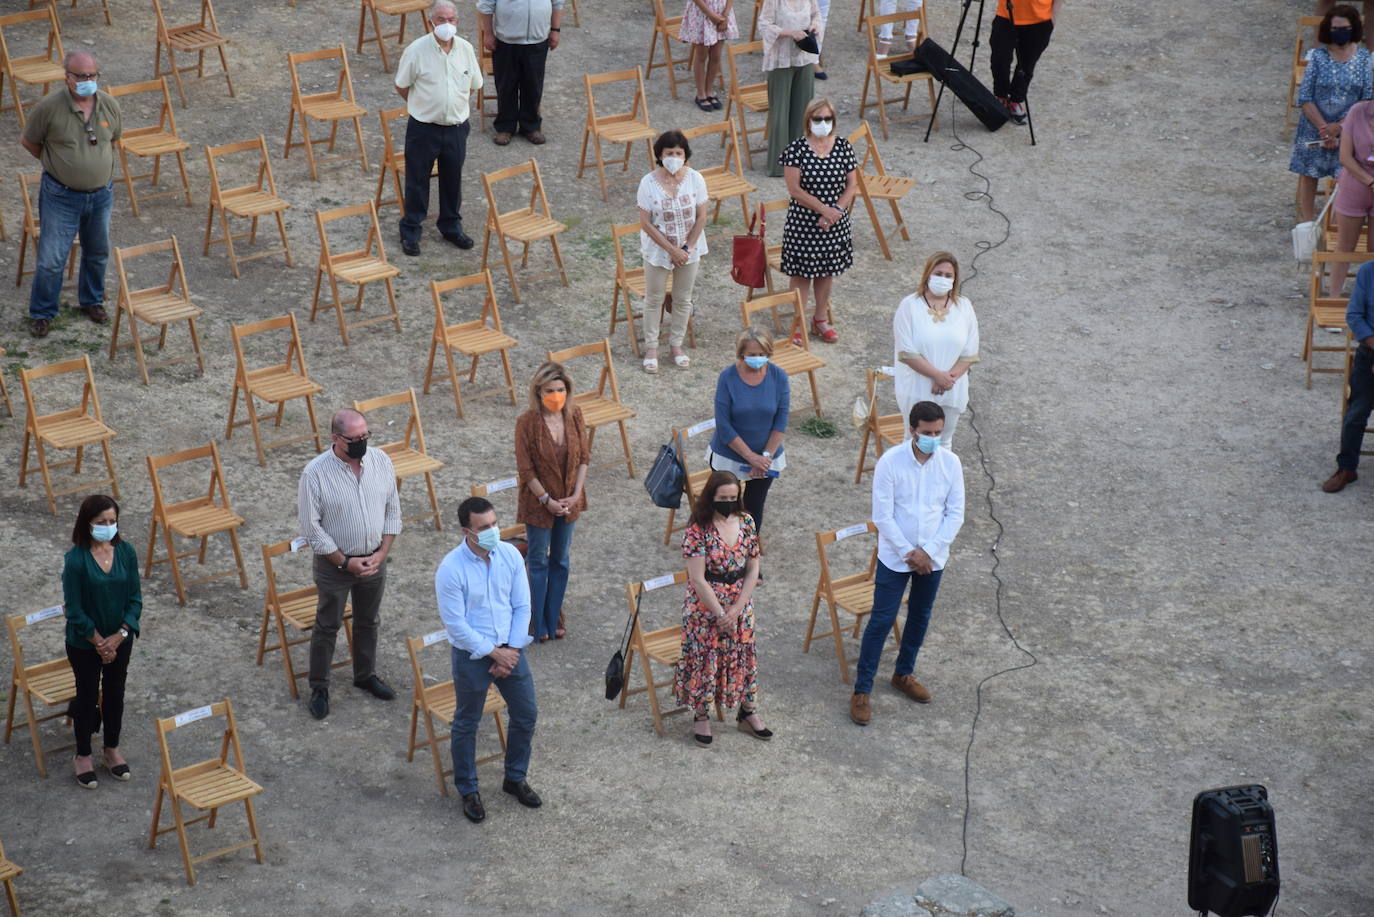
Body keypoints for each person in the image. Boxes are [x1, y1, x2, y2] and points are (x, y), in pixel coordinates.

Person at [850, 401, 965, 726]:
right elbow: (882, 516)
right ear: (912, 430)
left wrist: (928, 551)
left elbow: (955, 513)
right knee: (881, 620)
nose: (933, 438)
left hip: (933, 557)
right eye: (927, 432)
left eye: (938, 433)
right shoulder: (891, 462)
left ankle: (904, 673)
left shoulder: (950, 463)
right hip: (896, 557)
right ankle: (862, 690)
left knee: (919, 617)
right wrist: (909, 552)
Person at [436, 496, 541, 823]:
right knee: (467, 722)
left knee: (526, 713)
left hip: (510, 648)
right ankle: (468, 789)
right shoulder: (451, 570)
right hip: (473, 656)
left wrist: (510, 650)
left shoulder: (510, 554)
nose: (493, 530)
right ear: (467, 531)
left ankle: (515, 777)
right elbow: (456, 625)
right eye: (484, 527)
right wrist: (496, 653)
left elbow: (522, 606)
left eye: (495, 524)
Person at [297, 409, 402, 720]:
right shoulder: (314, 474)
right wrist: (344, 562)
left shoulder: (381, 461)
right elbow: (311, 528)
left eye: (365, 437)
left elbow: (392, 509)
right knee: (328, 625)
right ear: (335, 438)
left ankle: (365, 675)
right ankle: (319, 686)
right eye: (353, 439)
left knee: (368, 621)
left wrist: (381, 554)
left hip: (373, 559)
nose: (361, 443)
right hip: (335, 566)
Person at [20, 50, 122, 339]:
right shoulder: (49, 108)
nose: (88, 81)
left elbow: (114, 139)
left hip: (101, 194)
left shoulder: (109, 106)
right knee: (52, 258)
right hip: (61, 196)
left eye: (93, 76)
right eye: (82, 76)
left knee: (97, 252)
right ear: (68, 77)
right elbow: (29, 142)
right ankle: (42, 312)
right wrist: (58, 165)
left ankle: (92, 300)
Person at [673, 471, 770, 746]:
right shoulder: (697, 528)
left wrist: (737, 609)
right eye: (722, 498)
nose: (728, 503)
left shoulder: (747, 521)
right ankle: (701, 713)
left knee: (744, 654)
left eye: (732, 497)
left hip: (739, 601)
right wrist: (720, 614)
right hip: (706, 605)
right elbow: (697, 578)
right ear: (711, 497)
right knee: (704, 657)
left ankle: (747, 711)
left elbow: (753, 569)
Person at [393, 1, 484, 257]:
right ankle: (410, 230)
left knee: (452, 178)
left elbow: (475, 83)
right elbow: (401, 85)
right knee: (417, 180)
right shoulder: (417, 50)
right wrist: (422, 106)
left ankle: (451, 226)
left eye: (451, 19)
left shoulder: (465, 49)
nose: (447, 24)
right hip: (424, 128)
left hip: (456, 128)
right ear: (431, 22)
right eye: (441, 19)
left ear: (458, 21)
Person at [62, 494, 141, 788]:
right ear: (87, 524)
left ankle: (111, 748)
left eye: (112, 521)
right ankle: (83, 754)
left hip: (119, 638)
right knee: (86, 695)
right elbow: (74, 609)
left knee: (115, 691)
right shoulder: (76, 560)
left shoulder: (126, 552)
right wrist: (99, 642)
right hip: (85, 643)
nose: (108, 526)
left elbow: (135, 599)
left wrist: (119, 636)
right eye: (101, 522)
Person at [514, 362, 589, 642]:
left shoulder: (575, 415)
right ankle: (536, 620)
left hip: (570, 501)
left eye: (560, 389)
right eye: (550, 390)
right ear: (538, 391)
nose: (556, 395)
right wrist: (546, 499)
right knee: (537, 561)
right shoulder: (526, 422)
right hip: (539, 503)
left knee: (561, 559)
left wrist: (577, 493)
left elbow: (584, 458)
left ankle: (554, 614)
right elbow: (526, 470)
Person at [779, 97, 856, 344]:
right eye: (818, 119)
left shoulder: (843, 147)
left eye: (827, 119)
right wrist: (825, 210)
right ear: (808, 120)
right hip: (804, 223)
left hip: (834, 222)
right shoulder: (796, 149)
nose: (822, 123)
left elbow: (852, 184)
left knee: (826, 273)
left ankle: (820, 319)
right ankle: (798, 322)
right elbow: (795, 190)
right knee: (801, 275)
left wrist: (835, 211)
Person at [636, 130, 708, 373]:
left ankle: (676, 345)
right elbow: (646, 223)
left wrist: (686, 248)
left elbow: (701, 216)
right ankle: (652, 348)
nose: (674, 157)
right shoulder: (647, 182)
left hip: (690, 249)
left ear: (685, 155)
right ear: (660, 155)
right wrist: (671, 249)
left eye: (679, 152)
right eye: (669, 153)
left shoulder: (695, 178)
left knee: (682, 298)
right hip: (658, 250)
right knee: (654, 298)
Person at [1291, 7, 1371, 225]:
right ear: (1328, 29)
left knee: (1345, 177)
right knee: (1309, 173)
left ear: (1354, 29)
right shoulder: (1317, 57)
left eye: (1345, 29)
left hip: (1349, 129)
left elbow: (1366, 99)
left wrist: (1340, 127)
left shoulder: (1365, 59)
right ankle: (1306, 224)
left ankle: (1335, 226)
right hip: (1314, 125)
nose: (1340, 33)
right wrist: (1324, 128)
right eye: (1336, 29)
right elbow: (1305, 97)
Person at [892, 251, 980, 447]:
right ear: (928, 274)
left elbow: (970, 352)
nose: (943, 279)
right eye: (938, 274)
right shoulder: (909, 306)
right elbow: (906, 352)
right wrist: (937, 376)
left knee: (944, 443)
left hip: (951, 388)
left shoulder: (964, 307)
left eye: (948, 276)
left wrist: (947, 379)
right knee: (914, 443)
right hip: (917, 388)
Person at [709, 326, 790, 532]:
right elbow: (724, 425)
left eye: (762, 354)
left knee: (754, 506)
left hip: (766, 458)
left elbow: (780, 421)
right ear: (741, 353)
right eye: (752, 355)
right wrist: (751, 457)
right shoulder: (727, 377)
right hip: (730, 455)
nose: (758, 358)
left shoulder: (779, 377)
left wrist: (764, 457)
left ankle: (748, 551)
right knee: (724, 507)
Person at [477, 0, 562, 146]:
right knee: (506, 86)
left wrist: (555, 30)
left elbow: (557, 2)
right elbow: (485, 4)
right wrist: (488, 33)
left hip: (538, 40)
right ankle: (505, 126)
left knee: (533, 85)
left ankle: (530, 126)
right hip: (506, 41)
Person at [1322, 259, 1374, 491]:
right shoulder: (1368, 271)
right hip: (1370, 353)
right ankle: (1347, 468)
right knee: (1356, 414)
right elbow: (1354, 316)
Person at [758, 0, 822, 178]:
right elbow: (763, 25)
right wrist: (789, 33)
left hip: (804, 58)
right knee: (780, 114)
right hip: (781, 60)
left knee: (803, 111)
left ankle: (800, 162)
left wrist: (815, 26)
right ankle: (779, 165)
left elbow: (816, 15)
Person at [988, 0, 1061, 126]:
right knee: (999, 59)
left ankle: (1016, 100)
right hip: (1005, 16)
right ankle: (1001, 95)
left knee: (1027, 64)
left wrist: (1052, 19)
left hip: (1040, 19)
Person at [1329, 99, 1374, 296]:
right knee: (1345, 246)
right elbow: (1345, 157)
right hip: (1356, 183)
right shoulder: (1358, 111)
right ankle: (1333, 296)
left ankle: (1368, 303)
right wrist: (1370, 181)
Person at [681, 0, 737, 110]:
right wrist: (710, 14)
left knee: (716, 55)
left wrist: (725, 14)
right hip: (702, 12)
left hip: (721, 11)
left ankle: (709, 90)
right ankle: (701, 93)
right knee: (701, 55)